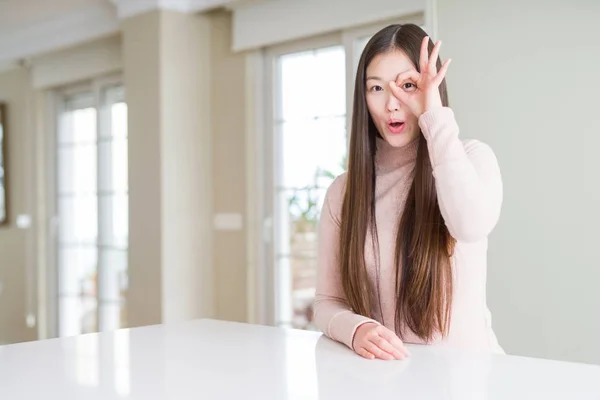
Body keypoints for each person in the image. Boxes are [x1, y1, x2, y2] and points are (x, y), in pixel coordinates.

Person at [313, 23, 504, 360]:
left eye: (408, 85)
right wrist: (356, 329)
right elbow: (328, 303)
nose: (391, 104)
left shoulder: (472, 158)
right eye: (376, 88)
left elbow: (470, 225)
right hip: (389, 381)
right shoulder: (344, 192)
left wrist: (434, 116)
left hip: (472, 380)